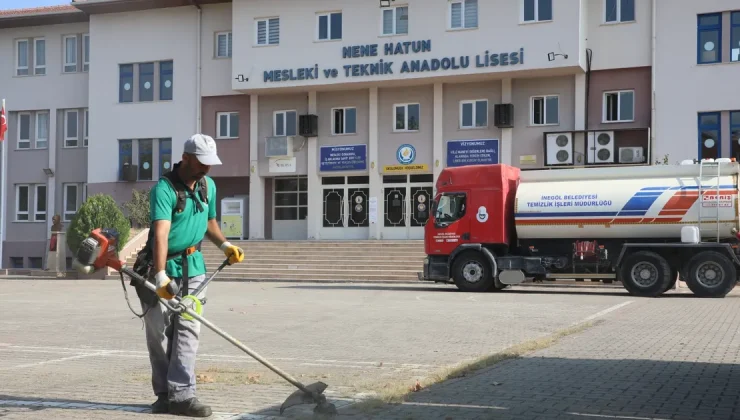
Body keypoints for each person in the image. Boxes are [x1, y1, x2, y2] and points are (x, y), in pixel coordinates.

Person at [142, 133, 245, 417]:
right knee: (159, 336)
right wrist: (161, 275)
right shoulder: (163, 189)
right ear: (185, 157)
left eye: (210, 164)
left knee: (188, 331)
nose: (207, 169)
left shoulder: (208, 185)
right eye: (202, 163)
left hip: (195, 269)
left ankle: (183, 395)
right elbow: (161, 233)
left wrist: (225, 245)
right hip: (160, 269)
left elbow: (210, 221)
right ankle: (164, 395)